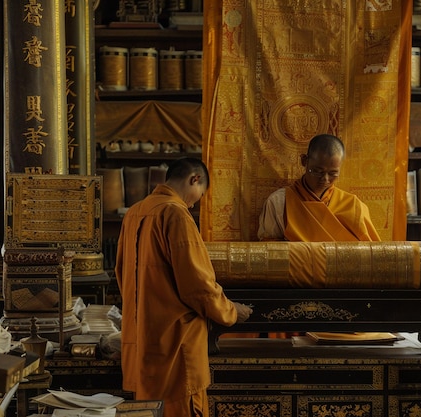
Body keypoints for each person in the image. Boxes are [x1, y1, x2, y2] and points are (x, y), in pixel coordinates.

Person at [115, 157, 253, 417]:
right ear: (194, 179)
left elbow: (121, 274)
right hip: (176, 344)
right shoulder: (176, 213)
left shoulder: (134, 212)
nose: (193, 203)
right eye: (197, 197)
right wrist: (231, 311)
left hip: (142, 340)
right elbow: (197, 285)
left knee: (150, 409)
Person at [258, 134, 381, 242]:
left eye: (333, 174)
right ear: (304, 161)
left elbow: (371, 255)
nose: (325, 179)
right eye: (317, 171)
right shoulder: (279, 202)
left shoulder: (354, 206)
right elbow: (270, 250)